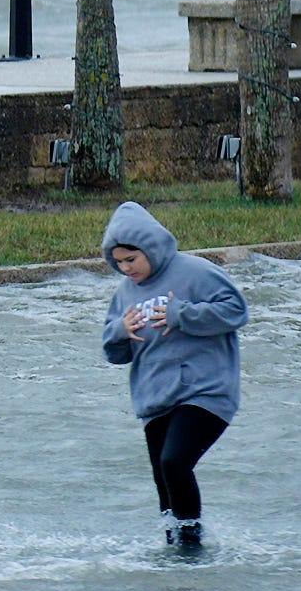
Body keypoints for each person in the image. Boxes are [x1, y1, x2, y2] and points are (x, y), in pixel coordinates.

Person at [99, 201, 249, 551]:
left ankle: (191, 547)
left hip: (206, 392)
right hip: (155, 399)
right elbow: (113, 352)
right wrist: (120, 331)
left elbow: (236, 310)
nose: (125, 268)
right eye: (118, 262)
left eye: (131, 259)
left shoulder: (196, 272)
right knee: (164, 481)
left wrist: (182, 314)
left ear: (149, 248)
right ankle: (175, 552)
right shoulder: (124, 293)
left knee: (175, 462)